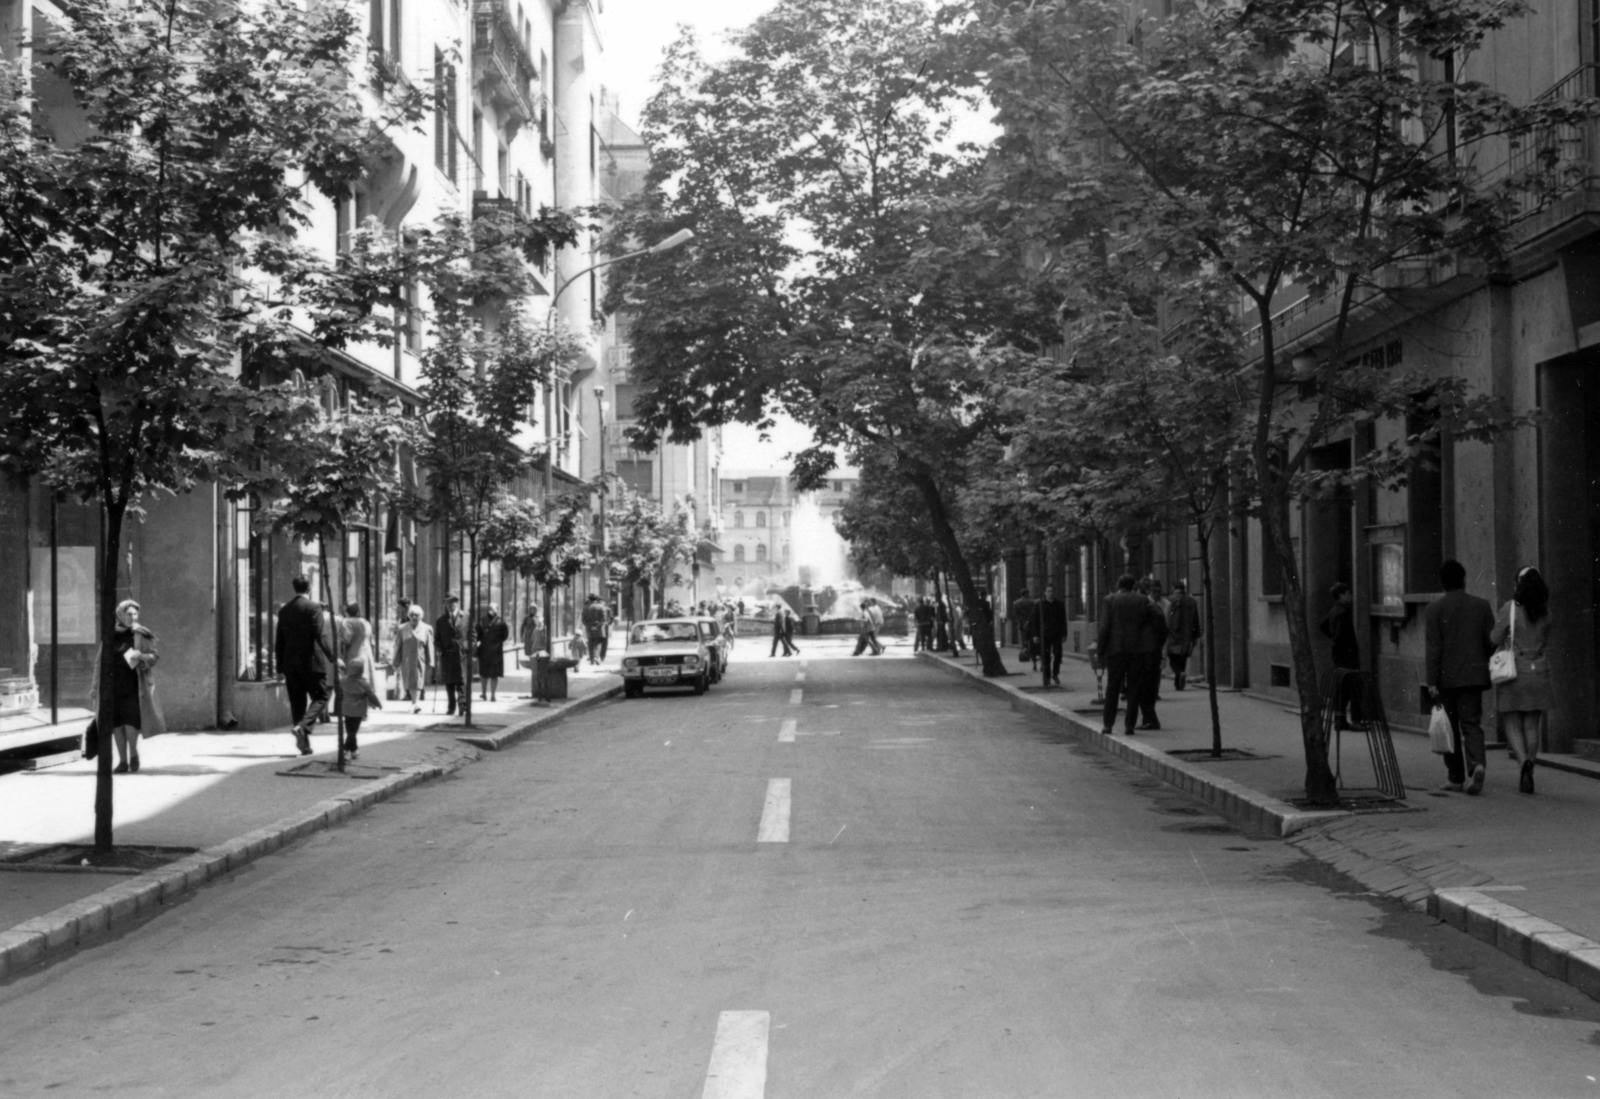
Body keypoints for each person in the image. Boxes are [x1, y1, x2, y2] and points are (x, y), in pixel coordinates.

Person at [1425, 560, 1497, 795]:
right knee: (1471, 724)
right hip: (1473, 675)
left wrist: (1432, 680)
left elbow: (1434, 648)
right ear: (1464, 580)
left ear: (1441, 583)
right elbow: (1491, 643)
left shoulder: (1434, 609)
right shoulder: (1482, 606)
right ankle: (1477, 764)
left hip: (1445, 678)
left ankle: (1455, 778)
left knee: (1449, 728)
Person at [1491, 566, 1553, 795]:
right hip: (1539, 671)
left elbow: (1494, 636)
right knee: (1531, 724)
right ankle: (1531, 765)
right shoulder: (1545, 612)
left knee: (1512, 722)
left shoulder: (1510, 608)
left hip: (1514, 671)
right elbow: (1546, 637)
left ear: (1518, 585)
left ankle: (1523, 762)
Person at [92, 599, 165, 774]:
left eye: (135, 614)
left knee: (131, 721)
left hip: (135, 685)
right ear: (120, 615)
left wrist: (142, 656)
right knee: (116, 724)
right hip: (113, 686)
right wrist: (95, 687)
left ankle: (133, 753)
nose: (132, 617)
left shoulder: (142, 634)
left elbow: (154, 656)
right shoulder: (110, 635)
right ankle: (122, 761)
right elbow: (99, 663)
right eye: (129, 614)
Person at [275, 575, 334, 755]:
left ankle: (304, 743)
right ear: (310, 587)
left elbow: (280, 641)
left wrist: (279, 668)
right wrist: (333, 657)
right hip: (311, 662)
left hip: (291, 664)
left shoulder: (284, 610)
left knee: (297, 703)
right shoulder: (313, 607)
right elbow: (320, 635)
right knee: (321, 696)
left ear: (294, 588)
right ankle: (303, 726)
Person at [1097, 574, 1158, 735]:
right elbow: (1157, 617)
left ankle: (1108, 724)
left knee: (1113, 687)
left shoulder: (1109, 600)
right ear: (1133, 586)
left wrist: (1100, 650)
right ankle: (1129, 725)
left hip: (1115, 649)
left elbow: (1104, 627)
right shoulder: (1143, 600)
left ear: (1119, 584)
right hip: (1136, 649)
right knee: (1134, 688)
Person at [337, 603, 381, 759]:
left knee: (352, 687)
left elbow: (347, 639)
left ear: (347, 612)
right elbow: (371, 639)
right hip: (364, 656)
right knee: (362, 686)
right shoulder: (365, 622)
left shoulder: (347, 622)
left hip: (353, 657)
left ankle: (348, 748)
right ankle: (353, 747)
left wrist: (338, 635)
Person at [1319, 581, 1364, 728]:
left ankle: (1340, 720)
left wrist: (1332, 638)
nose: (1351, 596)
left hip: (1339, 657)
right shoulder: (1343, 613)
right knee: (1353, 686)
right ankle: (1356, 720)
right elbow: (1338, 637)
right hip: (1347, 657)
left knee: (1342, 688)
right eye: (1348, 593)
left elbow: (1323, 626)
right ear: (1341, 595)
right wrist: (1346, 648)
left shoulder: (1334, 610)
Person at [392, 605, 434, 713]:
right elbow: (398, 645)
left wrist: (431, 661)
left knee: (418, 681)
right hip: (407, 659)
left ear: (421, 616)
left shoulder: (427, 628)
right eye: (411, 615)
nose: (414, 617)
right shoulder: (402, 628)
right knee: (409, 681)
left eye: (417, 615)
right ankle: (414, 703)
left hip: (420, 659)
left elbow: (430, 646)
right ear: (408, 616)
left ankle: (415, 703)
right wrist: (395, 660)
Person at [1166, 580, 1201, 691]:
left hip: (1173, 634)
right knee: (1182, 658)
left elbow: (1167, 617)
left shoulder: (1169, 601)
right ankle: (1179, 683)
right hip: (1187, 634)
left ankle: (1179, 674)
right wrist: (1195, 636)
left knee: (1172, 659)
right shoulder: (1192, 601)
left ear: (1173, 588)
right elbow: (1196, 620)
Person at [435, 594, 466, 715]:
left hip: (461, 655)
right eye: (448, 603)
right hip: (446, 655)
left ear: (457, 603)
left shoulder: (466, 617)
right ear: (445, 604)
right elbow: (437, 639)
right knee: (449, 683)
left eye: (453, 602)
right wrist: (438, 649)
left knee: (461, 682)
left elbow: (472, 635)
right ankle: (451, 707)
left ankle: (462, 705)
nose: (450, 605)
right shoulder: (441, 620)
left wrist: (468, 649)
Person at [1034, 584, 1066, 688]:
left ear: (1055, 592)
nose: (1050, 593)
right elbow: (1034, 621)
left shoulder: (1060, 605)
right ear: (1045, 593)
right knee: (1046, 656)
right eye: (1048, 591)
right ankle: (1047, 677)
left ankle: (1055, 673)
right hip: (1044, 634)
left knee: (1058, 654)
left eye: (1052, 591)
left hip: (1057, 633)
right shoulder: (1040, 605)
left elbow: (1063, 620)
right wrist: (1035, 635)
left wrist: (1064, 634)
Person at [477, 607, 509, 701]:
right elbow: (505, 635)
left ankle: (484, 694)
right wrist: (498, 642)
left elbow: (477, 634)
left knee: (484, 674)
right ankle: (492, 695)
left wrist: (480, 642)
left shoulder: (482, 621)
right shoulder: (501, 621)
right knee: (493, 674)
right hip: (496, 651)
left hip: (484, 650)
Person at [1012, 588, 1038, 669]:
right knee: (1032, 639)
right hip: (1031, 623)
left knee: (1024, 639)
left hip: (1022, 624)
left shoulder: (1016, 603)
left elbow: (1016, 614)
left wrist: (1022, 621)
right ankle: (1033, 653)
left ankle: (1025, 652)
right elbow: (1034, 612)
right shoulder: (1032, 602)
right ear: (1026, 594)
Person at [582, 595, 609, 665]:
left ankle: (591, 660)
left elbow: (583, 620)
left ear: (589, 599)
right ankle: (596, 657)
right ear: (596, 600)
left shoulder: (585, 608)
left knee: (590, 643)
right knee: (598, 643)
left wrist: (590, 626)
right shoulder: (601, 607)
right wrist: (597, 626)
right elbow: (604, 619)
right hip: (599, 629)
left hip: (589, 628)